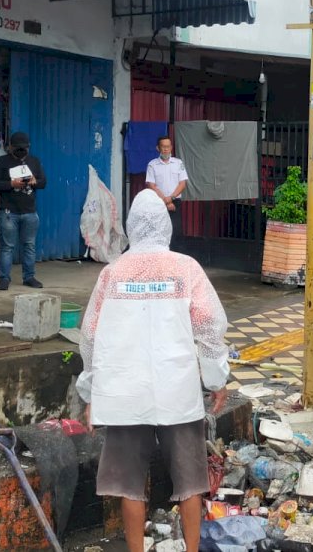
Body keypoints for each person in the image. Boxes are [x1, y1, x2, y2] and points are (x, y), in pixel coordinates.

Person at [76, 190, 230, 552]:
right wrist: (216, 379)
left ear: (132, 227)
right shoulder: (186, 268)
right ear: (165, 225)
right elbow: (209, 327)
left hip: (124, 392)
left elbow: (90, 337)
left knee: (129, 483)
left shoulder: (112, 274)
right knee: (191, 481)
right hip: (177, 389)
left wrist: (91, 393)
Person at [0, 132, 47, 291]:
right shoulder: (2, 161)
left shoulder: (34, 161)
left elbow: (44, 182)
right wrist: (11, 184)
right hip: (9, 212)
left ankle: (29, 277)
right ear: (10, 147)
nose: (22, 151)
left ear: (29, 147)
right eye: (18, 148)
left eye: (24, 148)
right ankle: (4, 278)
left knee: (29, 245)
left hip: (29, 211)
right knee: (7, 247)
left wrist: (35, 182)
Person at [144, 137, 187, 242]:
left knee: (175, 233)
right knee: (158, 232)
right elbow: (151, 185)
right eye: (163, 147)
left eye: (168, 146)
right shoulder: (152, 165)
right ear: (158, 148)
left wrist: (171, 198)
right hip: (158, 203)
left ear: (171, 148)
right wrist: (165, 201)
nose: (166, 149)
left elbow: (183, 183)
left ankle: (173, 257)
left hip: (175, 203)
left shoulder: (178, 163)